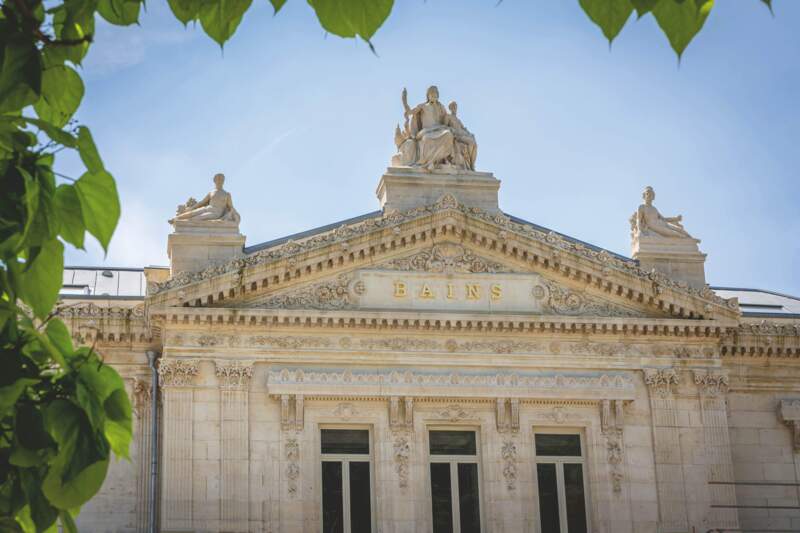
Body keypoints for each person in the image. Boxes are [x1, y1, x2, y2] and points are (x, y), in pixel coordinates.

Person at [169, 173, 240, 224]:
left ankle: (180, 223)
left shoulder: (227, 194)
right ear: (214, 181)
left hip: (216, 212)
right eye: (218, 179)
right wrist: (192, 208)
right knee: (192, 213)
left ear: (223, 181)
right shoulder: (211, 192)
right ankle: (175, 219)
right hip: (208, 208)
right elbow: (202, 202)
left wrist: (235, 215)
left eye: (221, 179)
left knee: (197, 218)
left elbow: (231, 207)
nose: (220, 181)